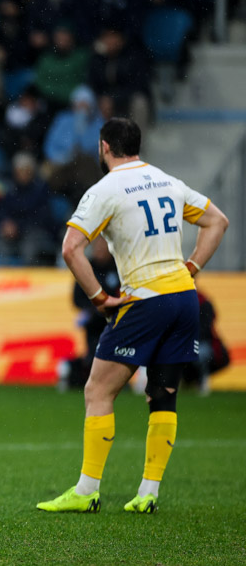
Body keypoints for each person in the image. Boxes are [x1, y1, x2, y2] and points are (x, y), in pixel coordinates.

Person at [37, 118, 228, 515]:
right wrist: (190, 267)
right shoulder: (167, 181)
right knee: (163, 394)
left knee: (98, 391)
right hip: (183, 298)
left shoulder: (105, 189)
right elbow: (217, 222)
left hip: (145, 299)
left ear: (105, 146)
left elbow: (71, 248)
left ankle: (87, 490)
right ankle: (148, 493)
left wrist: (97, 297)